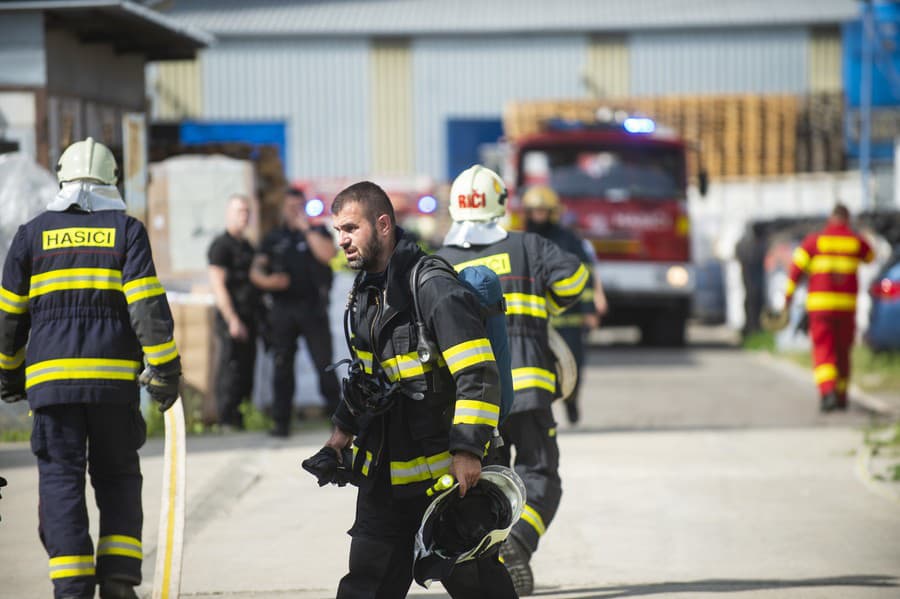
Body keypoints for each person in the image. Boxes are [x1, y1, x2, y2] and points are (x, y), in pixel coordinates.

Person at [309, 180, 517, 598]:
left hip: (448, 479)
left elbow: (478, 373)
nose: (342, 240)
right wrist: (338, 439)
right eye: (339, 232)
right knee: (365, 585)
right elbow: (365, 381)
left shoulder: (434, 287)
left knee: (478, 587)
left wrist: (468, 451)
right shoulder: (366, 293)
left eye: (351, 228)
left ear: (383, 225)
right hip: (386, 477)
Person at [0, 137, 181, 599]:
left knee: (61, 478)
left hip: (51, 387)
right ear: (111, 180)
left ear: (62, 178)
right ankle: (119, 580)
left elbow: (8, 318)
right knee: (119, 475)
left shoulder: (30, 234)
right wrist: (164, 372)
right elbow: (146, 308)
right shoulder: (126, 231)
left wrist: (8, 375)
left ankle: (73, 585)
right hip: (113, 387)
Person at [437, 166, 588, 596]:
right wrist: (549, 300)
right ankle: (519, 541)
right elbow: (574, 279)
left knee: (483, 481)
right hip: (531, 386)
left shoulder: (439, 263)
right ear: (501, 204)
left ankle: (488, 560)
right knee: (540, 474)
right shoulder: (529, 246)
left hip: (473, 401)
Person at [250, 187, 339, 437]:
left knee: (325, 366)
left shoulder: (317, 232)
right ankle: (281, 423)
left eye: (298, 207)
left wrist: (306, 228)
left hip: (313, 309)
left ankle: (338, 421)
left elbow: (327, 254)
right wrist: (268, 282)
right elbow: (256, 269)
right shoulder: (274, 238)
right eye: (290, 208)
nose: (294, 212)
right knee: (282, 366)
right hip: (283, 310)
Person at [521, 185, 607, 425]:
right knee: (539, 370)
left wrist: (589, 311)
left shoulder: (568, 240)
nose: (538, 216)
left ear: (552, 212)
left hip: (569, 319)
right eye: (533, 211)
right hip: (536, 319)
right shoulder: (522, 239)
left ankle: (572, 399)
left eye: (542, 211)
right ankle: (544, 412)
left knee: (574, 367)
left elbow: (585, 274)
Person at [782, 203, 874, 412]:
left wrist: (787, 300)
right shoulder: (855, 241)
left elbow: (795, 271)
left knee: (824, 350)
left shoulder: (814, 241)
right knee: (843, 352)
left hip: (821, 308)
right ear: (847, 219)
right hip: (846, 309)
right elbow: (871, 257)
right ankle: (841, 396)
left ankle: (828, 391)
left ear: (829, 219)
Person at [208, 194, 260, 430]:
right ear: (228, 214)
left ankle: (241, 416)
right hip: (232, 317)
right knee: (230, 366)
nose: (244, 216)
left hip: (250, 316)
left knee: (247, 366)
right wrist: (232, 319)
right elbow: (218, 285)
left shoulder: (248, 246)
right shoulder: (221, 246)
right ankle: (226, 419)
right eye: (239, 211)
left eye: (247, 211)